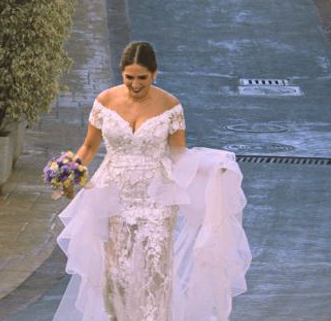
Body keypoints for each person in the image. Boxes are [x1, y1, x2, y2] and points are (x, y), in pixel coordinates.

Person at [53, 41, 251, 321]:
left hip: (157, 198)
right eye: (129, 77)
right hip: (113, 197)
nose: (135, 84)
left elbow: (179, 155)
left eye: (142, 78)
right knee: (117, 274)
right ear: (122, 74)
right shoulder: (105, 102)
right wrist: (67, 169)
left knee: (155, 273)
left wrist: (210, 168)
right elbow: (89, 147)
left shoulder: (170, 106)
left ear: (154, 74)